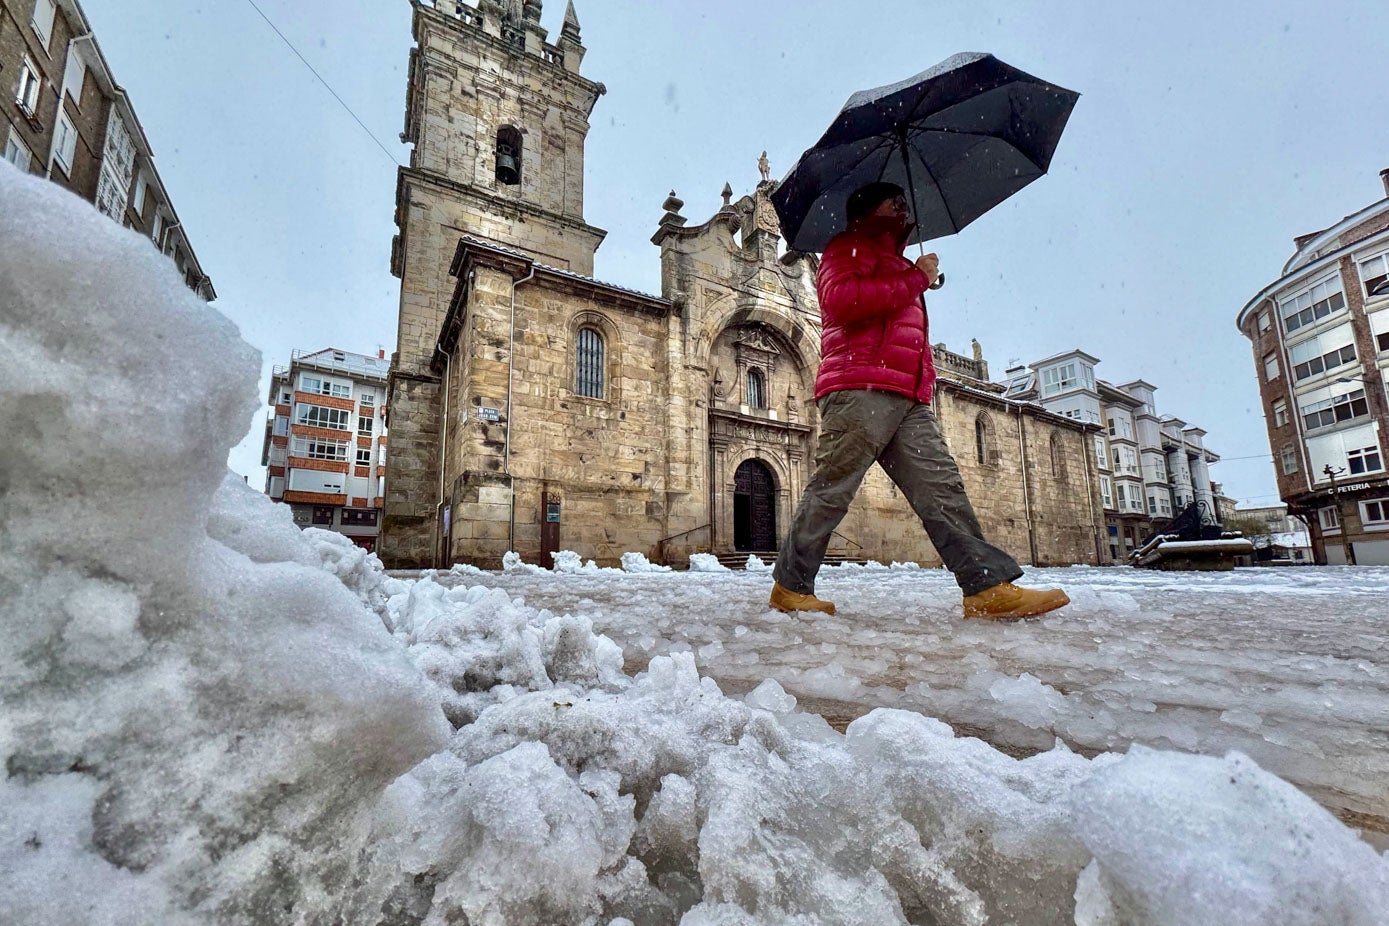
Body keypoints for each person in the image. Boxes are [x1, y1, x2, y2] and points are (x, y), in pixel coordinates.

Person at [769, 181, 1070, 621]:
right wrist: (916, 279)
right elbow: (841, 301)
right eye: (896, 202)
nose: (904, 208)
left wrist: (912, 280)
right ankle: (791, 587)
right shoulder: (847, 248)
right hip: (859, 387)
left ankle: (985, 586)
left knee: (941, 488)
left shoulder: (894, 260)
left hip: (907, 395)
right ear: (867, 210)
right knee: (832, 490)